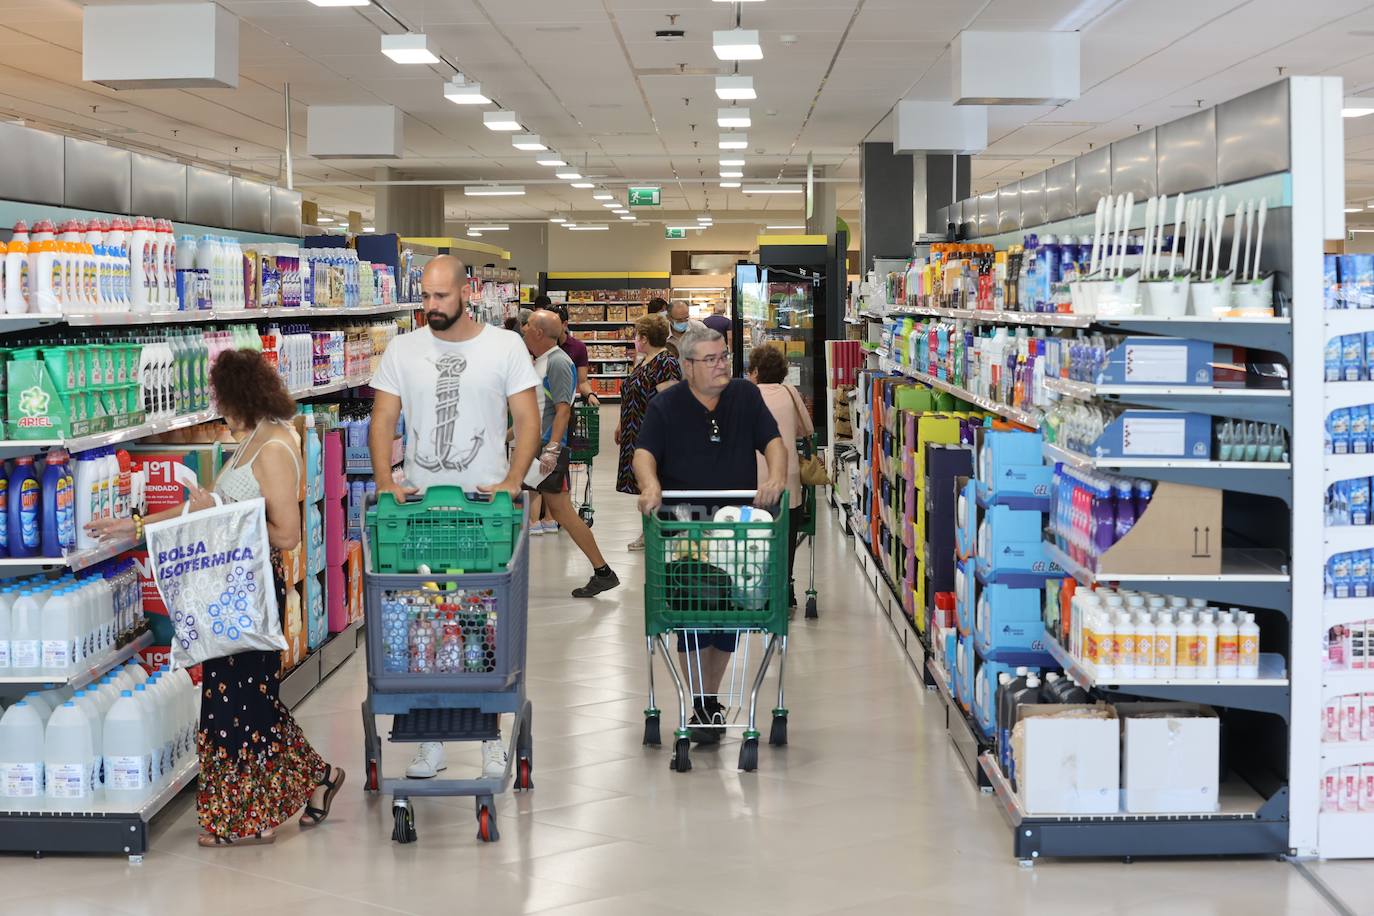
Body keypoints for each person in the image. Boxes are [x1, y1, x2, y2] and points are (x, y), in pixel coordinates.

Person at [89, 349, 344, 848]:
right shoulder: (249, 440)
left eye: (218, 395)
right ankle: (316, 778)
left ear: (239, 394)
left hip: (250, 592)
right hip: (229, 590)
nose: (214, 404)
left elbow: (287, 534)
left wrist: (224, 514)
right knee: (242, 701)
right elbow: (203, 509)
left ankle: (248, 818)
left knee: (237, 705)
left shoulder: (273, 447)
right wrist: (138, 526)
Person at [369, 254, 541, 782]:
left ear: (465, 293)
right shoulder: (404, 348)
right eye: (424, 296)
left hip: (483, 514)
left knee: (483, 622)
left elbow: (527, 418)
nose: (430, 306)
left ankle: (490, 736)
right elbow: (382, 419)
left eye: (440, 296)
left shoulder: (505, 347)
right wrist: (383, 483)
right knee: (425, 621)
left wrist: (513, 481)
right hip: (423, 515)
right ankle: (430, 739)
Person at [634, 325, 786, 741]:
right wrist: (650, 485)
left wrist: (775, 477)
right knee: (694, 615)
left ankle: (707, 698)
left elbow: (773, 441)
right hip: (686, 531)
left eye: (724, 357)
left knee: (729, 619)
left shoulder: (745, 396)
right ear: (687, 367)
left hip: (737, 532)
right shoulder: (666, 406)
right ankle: (702, 702)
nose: (722, 365)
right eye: (711, 359)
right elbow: (644, 454)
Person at [522, 309, 621, 597]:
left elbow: (563, 409)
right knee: (532, 507)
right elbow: (537, 408)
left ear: (539, 332)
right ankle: (603, 571)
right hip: (533, 446)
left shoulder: (558, 363)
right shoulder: (540, 361)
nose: (524, 328)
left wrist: (552, 449)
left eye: (528, 325)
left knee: (563, 511)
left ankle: (603, 571)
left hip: (545, 450)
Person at [747, 345, 815, 609]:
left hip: (754, 479)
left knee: (756, 540)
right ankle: (784, 592)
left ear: (755, 371)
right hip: (788, 479)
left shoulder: (746, 395)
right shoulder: (790, 392)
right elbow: (805, 429)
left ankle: (757, 593)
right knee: (785, 539)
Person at [614, 313, 681, 550]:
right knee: (644, 483)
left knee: (654, 481)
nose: (635, 339)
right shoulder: (644, 360)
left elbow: (671, 402)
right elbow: (633, 394)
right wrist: (622, 424)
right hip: (636, 431)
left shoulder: (666, 362)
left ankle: (659, 531)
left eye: (636, 334)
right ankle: (649, 530)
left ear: (644, 337)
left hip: (653, 435)